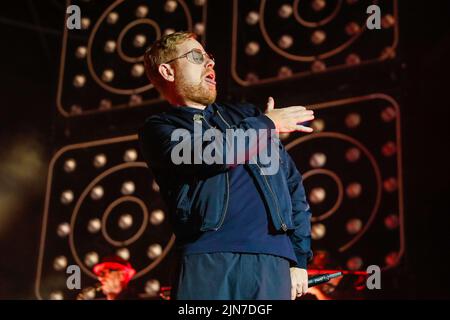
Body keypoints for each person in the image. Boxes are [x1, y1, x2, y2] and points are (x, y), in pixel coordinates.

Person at [139, 31, 314, 300]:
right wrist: (267, 125)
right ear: (167, 71)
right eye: (197, 57)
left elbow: (292, 186)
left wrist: (298, 258)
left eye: (210, 58)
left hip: (273, 263)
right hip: (208, 260)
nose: (210, 64)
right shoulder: (161, 128)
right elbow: (211, 154)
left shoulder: (248, 115)